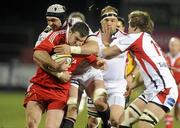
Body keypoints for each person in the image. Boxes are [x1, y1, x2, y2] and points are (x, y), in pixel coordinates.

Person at [101, 10, 178, 128]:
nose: (127, 29)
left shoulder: (134, 37)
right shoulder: (147, 39)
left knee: (144, 125)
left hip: (164, 90)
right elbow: (149, 71)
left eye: (129, 25)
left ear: (135, 27)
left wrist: (106, 42)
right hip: (152, 90)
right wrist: (133, 85)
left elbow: (106, 54)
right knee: (122, 123)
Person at [23, 22, 92, 128]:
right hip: (40, 85)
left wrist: (100, 62)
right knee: (31, 124)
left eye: (81, 41)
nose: (78, 43)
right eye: (76, 39)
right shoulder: (58, 36)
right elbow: (37, 54)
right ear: (71, 32)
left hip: (60, 91)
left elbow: (96, 52)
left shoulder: (81, 49)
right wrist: (56, 67)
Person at [86, 5, 129, 128]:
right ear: (101, 21)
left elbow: (137, 59)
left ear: (117, 21)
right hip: (98, 84)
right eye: (106, 20)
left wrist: (131, 76)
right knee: (92, 123)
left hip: (117, 87)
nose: (109, 23)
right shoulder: (93, 38)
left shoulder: (126, 38)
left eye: (113, 20)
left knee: (115, 121)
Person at [164, 37, 180, 128]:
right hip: (170, 89)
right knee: (169, 111)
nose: (174, 47)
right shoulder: (165, 58)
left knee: (178, 116)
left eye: (176, 45)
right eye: (172, 45)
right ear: (169, 46)